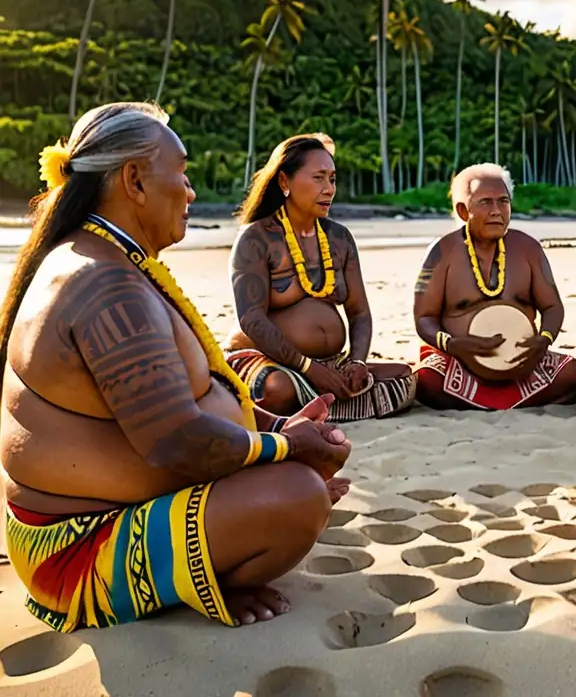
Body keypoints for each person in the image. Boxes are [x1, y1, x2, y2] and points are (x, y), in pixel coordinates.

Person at [1, 103, 352, 632]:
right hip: (74, 550)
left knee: (295, 486)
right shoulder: (104, 283)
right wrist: (286, 449)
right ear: (135, 180)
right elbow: (174, 441)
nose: (190, 191)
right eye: (182, 172)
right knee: (298, 498)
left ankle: (222, 546)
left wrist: (277, 425)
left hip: (108, 514)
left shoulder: (114, 261)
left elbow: (187, 391)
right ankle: (197, 577)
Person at [225, 134, 416, 422]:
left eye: (333, 179)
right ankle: (319, 397)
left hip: (329, 362)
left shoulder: (339, 238)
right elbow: (251, 320)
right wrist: (308, 368)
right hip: (270, 360)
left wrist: (357, 362)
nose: (329, 189)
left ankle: (322, 398)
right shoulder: (257, 239)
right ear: (284, 182)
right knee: (277, 391)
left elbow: (359, 312)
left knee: (404, 377)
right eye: (319, 178)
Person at [413, 163, 576, 410]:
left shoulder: (528, 249)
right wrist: (452, 345)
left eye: (503, 201)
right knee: (425, 380)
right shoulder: (442, 252)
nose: (497, 211)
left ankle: (482, 404)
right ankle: (512, 402)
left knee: (574, 373)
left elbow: (552, 307)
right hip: (463, 366)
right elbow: (424, 318)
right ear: (463, 211)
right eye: (485, 202)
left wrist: (544, 340)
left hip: (523, 366)